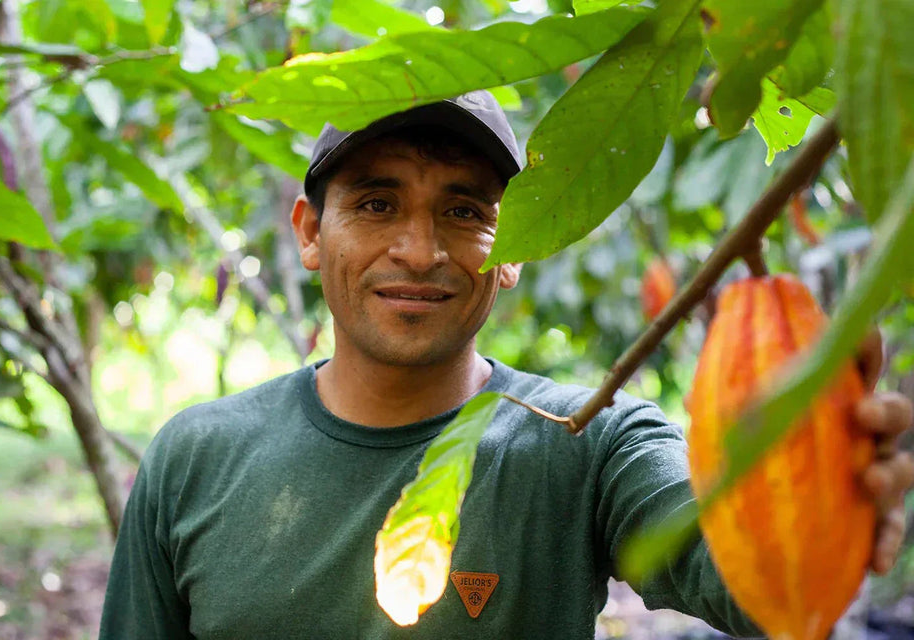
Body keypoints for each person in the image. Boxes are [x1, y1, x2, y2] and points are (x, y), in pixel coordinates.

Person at [99, 90, 914, 639]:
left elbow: (749, 585)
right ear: (310, 232)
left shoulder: (589, 440)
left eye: (464, 211)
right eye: (377, 204)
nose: (419, 251)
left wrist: (819, 488)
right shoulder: (191, 456)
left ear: (517, 249)